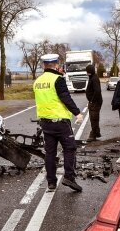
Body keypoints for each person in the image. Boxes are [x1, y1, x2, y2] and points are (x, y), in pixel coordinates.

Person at [33, 53, 84, 192]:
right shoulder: (58, 79)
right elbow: (65, 98)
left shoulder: (37, 81)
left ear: (44, 65)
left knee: (50, 153)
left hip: (45, 123)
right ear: (56, 65)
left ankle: (51, 182)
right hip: (60, 122)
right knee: (70, 148)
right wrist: (77, 113)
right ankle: (69, 177)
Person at [84, 64, 102, 142]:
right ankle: (96, 132)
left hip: (95, 102)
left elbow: (97, 91)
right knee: (94, 118)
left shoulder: (94, 78)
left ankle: (93, 134)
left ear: (89, 71)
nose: (86, 73)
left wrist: (92, 101)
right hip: (94, 102)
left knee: (93, 118)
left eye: (87, 71)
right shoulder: (92, 77)